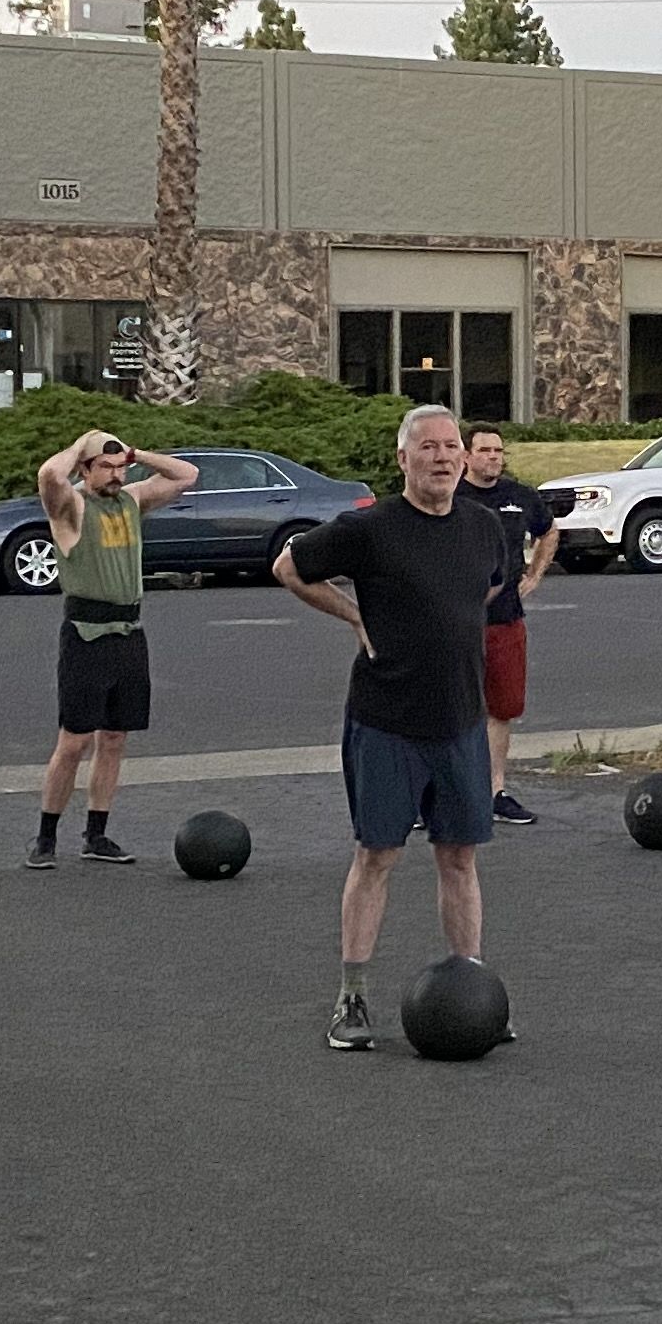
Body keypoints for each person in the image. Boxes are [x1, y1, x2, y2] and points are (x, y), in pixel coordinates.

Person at [276, 403, 510, 1051]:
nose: (443, 457)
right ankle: (351, 998)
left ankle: (470, 992)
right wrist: (355, 616)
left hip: (460, 720)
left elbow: (489, 587)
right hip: (386, 722)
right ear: (403, 458)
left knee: (459, 857)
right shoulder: (370, 528)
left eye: (451, 446)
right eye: (428, 447)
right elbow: (289, 568)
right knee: (377, 855)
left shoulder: (483, 526)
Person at [26, 425, 197, 869]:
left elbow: (187, 475)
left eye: (121, 467)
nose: (116, 475)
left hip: (129, 632)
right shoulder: (71, 507)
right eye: (105, 466)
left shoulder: (132, 500)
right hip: (86, 634)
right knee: (74, 742)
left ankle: (96, 835)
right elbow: (49, 476)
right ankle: (45, 839)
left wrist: (137, 453)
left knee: (115, 738)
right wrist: (80, 442)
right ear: (85, 469)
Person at [458, 423, 558, 826]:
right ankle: (433, 794)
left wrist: (534, 574)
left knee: (501, 709)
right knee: (448, 708)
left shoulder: (519, 497)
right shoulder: (451, 496)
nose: (493, 458)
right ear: (466, 456)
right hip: (456, 623)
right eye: (484, 450)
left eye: (498, 451)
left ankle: (494, 792)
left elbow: (549, 531)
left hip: (505, 620)